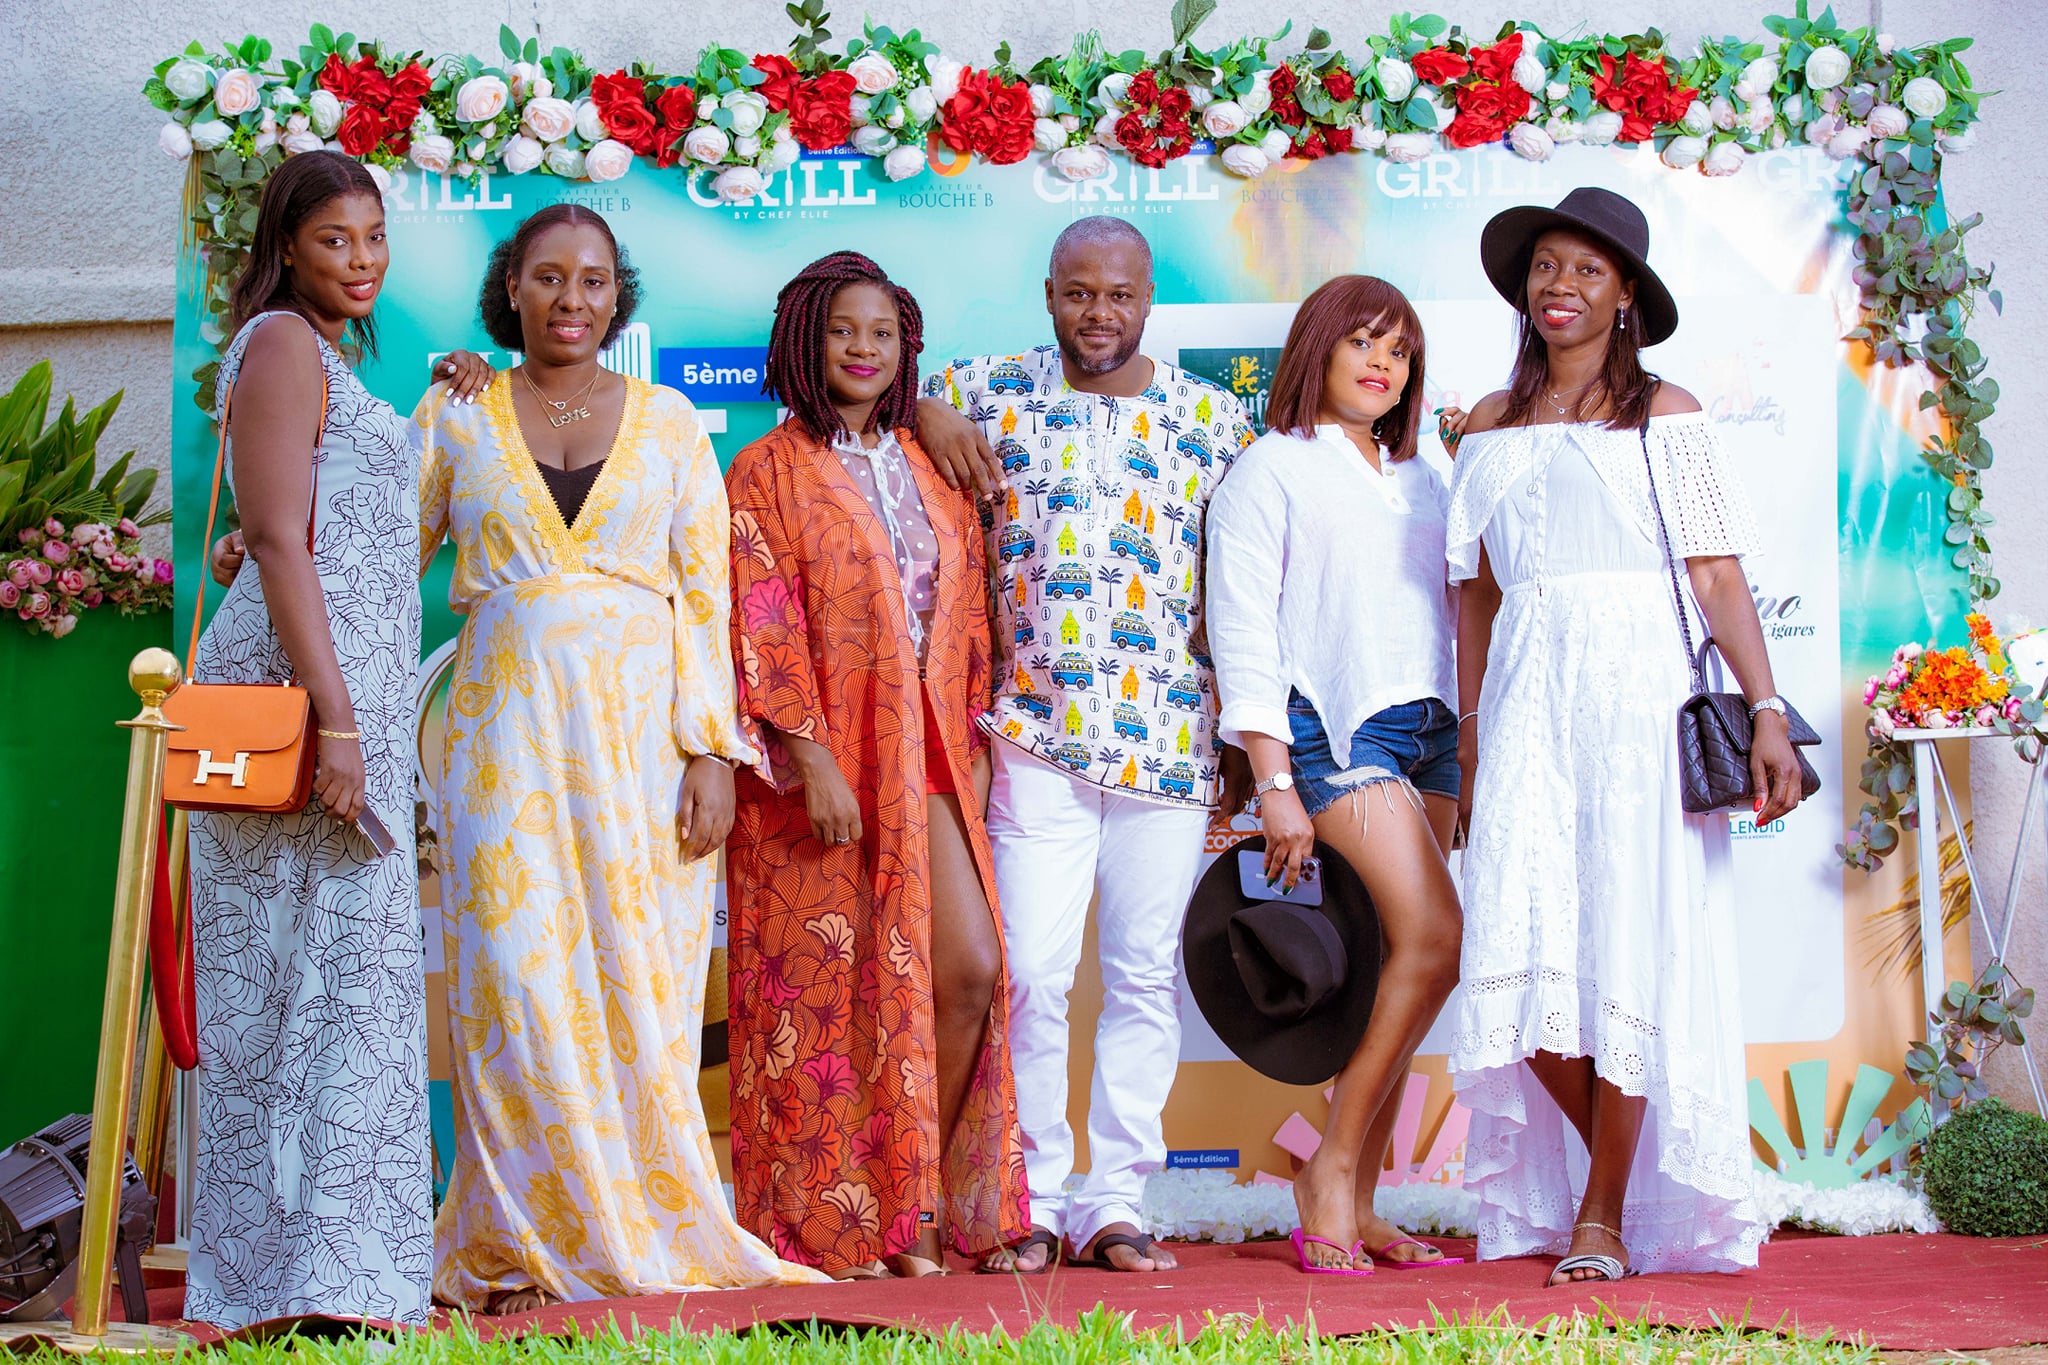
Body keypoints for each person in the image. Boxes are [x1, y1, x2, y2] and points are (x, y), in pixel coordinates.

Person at [1441, 187, 1807, 1284]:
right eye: (1546, 266)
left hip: (1637, 700)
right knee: (1510, 950)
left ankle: (1600, 1213)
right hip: (1523, 703)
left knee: (1629, 942)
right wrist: (1468, 737)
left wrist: (1767, 709)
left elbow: (1715, 575)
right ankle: (1627, 1169)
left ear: (1626, 298)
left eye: (1587, 270)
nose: (1561, 286)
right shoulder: (1485, 423)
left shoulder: (1664, 412)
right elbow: (1475, 596)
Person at [917, 217, 1256, 1274]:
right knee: (1031, 973)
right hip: (1034, 733)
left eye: (1118, 295)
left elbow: (1244, 585)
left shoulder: (1214, 418)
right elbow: (884, 401)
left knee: (1143, 976)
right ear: (1049, 293)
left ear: (1147, 298)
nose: (1097, 314)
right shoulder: (983, 391)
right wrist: (927, 411)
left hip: (1168, 740)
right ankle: (1033, 1196)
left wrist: (1248, 734)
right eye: (1077, 293)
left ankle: (1114, 1201)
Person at [721, 252, 1030, 1280]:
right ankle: (850, 1225)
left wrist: (973, 744)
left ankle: (916, 1200)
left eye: (883, 333)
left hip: (931, 753)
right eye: (841, 331)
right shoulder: (764, 470)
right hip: (820, 769)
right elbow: (758, 619)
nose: (863, 349)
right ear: (802, 342)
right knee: (828, 999)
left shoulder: (930, 458)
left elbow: (971, 610)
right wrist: (808, 757)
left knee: (968, 970)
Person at [182, 149, 435, 1328]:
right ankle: (306, 1280)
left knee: (333, 989)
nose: (361, 260)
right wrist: (338, 723)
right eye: (335, 239)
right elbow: (280, 540)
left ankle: (324, 1276)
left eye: (374, 237)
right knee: (301, 990)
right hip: (303, 717)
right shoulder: (283, 342)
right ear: (286, 246)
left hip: (344, 708)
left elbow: (306, 533)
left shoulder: (321, 357)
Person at [1204, 275, 1465, 1274]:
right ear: (1317, 346)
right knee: (1434, 939)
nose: (1381, 364)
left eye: (1398, 350)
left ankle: (1359, 1199)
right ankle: (1329, 1168)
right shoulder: (1271, 467)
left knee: (1395, 963)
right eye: (1362, 341)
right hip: (1335, 728)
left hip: (1431, 730)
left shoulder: (1426, 473)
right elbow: (1243, 629)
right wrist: (1273, 782)